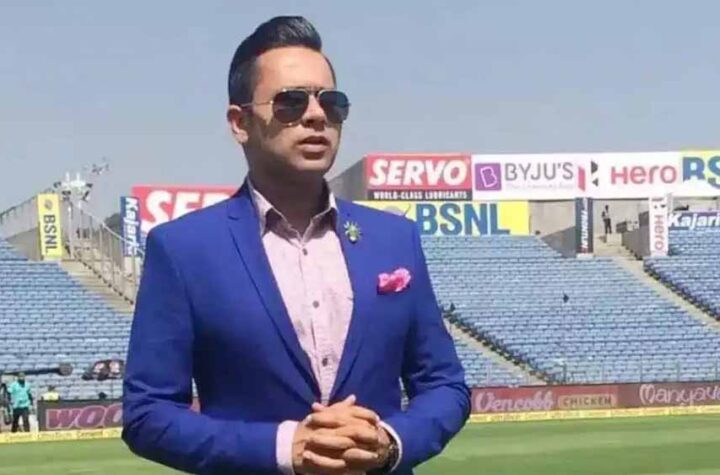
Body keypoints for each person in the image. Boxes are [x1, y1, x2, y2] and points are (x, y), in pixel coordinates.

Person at [122, 16, 469, 475]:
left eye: (332, 102)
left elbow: (445, 386)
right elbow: (148, 415)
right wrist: (286, 447)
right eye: (291, 101)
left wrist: (389, 442)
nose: (316, 115)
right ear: (240, 122)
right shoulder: (183, 250)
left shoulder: (395, 239)